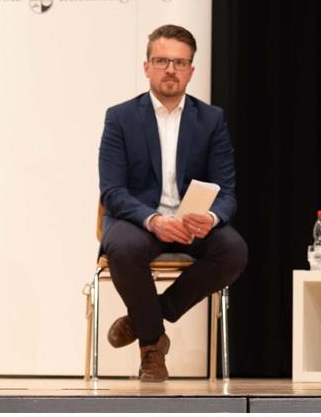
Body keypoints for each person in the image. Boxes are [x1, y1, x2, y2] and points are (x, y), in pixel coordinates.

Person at [98, 25, 248, 382]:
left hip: (191, 222)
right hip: (139, 220)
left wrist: (211, 217)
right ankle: (152, 347)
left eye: (180, 62)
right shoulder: (120, 117)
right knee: (123, 248)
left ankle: (148, 316)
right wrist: (152, 220)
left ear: (191, 70)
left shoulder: (211, 120)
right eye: (162, 60)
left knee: (233, 250)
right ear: (147, 66)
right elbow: (113, 191)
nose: (171, 69)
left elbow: (227, 191)